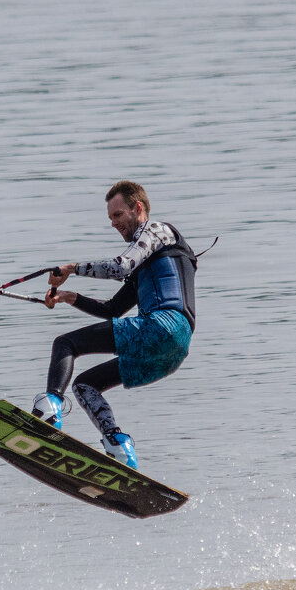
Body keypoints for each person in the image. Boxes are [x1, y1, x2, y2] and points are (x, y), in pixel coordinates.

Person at [32, 181, 197, 470]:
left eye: (118, 215)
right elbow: (113, 310)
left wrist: (72, 268)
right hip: (174, 349)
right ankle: (119, 448)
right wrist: (69, 298)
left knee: (65, 344)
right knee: (85, 386)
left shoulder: (159, 230)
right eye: (110, 218)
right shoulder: (148, 263)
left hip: (161, 326)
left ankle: (49, 411)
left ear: (138, 208)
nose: (113, 223)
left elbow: (121, 266)